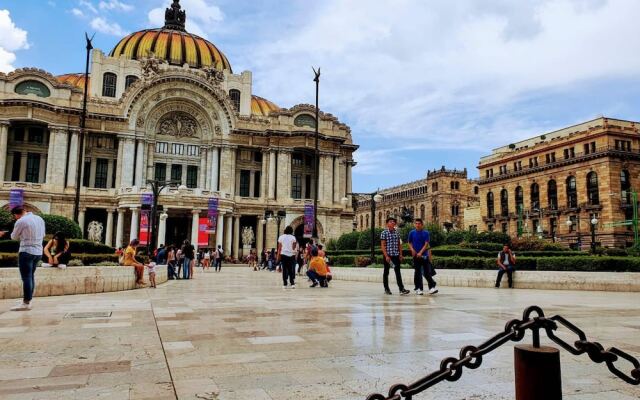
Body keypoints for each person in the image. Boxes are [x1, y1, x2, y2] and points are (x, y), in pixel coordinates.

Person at [0, 206, 45, 311]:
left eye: (15, 216)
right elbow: (43, 234)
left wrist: (4, 234)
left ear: (16, 214)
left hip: (26, 251)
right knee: (30, 276)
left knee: (26, 277)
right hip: (38, 252)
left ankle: (26, 303)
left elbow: (14, 237)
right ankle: (28, 300)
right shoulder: (39, 219)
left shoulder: (21, 221)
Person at [408, 219, 438, 295]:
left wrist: (421, 252)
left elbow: (426, 244)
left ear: (422, 225)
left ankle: (431, 287)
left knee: (427, 272)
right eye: (416, 223)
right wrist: (412, 250)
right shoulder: (411, 233)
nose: (417, 225)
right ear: (414, 224)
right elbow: (409, 242)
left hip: (424, 255)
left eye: (419, 223)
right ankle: (418, 288)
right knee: (417, 273)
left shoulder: (426, 233)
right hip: (416, 256)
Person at [380, 217, 410, 295]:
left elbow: (399, 244)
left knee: (398, 272)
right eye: (390, 222)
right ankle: (386, 289)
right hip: (388, 256)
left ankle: (401, 289)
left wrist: (400, 254)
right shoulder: (384, 233)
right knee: (386, 272)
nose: (392, 223)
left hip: (396, 255)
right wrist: (386, 256)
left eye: (393, 222)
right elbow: (383, 245)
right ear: (387, 224)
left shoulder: (397, 233)